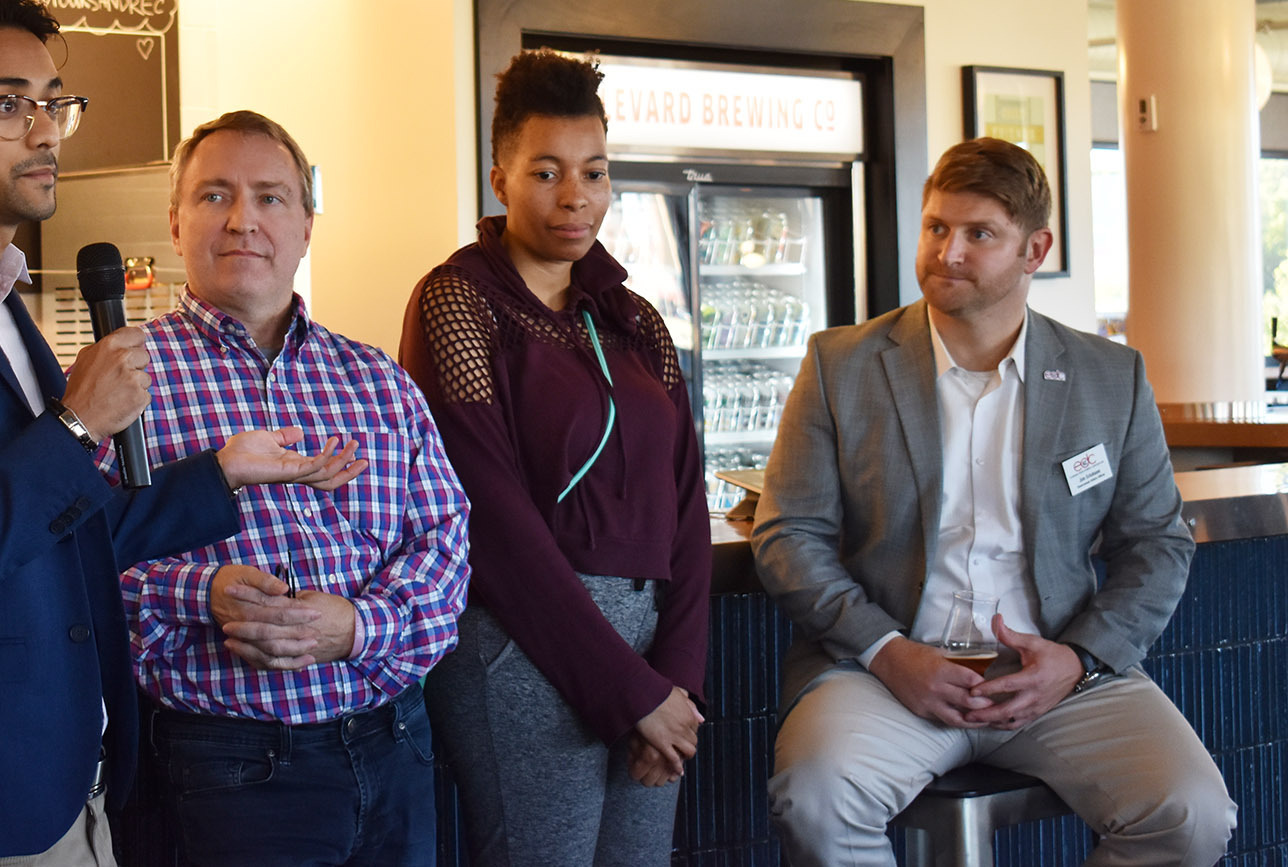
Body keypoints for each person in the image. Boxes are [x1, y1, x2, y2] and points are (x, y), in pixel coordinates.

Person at [0, 0, 360, 865]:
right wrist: (71, 426)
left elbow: (68, 528)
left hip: (73, 780)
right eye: (7, 104)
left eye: (54, 102)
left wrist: (224, 472)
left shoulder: (1, 303)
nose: (46, 129)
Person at [750, 137, 1237, 864]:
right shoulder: (840, 365)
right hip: (883, 672)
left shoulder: (1111, 377)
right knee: (817, 801)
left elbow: (1158, 545)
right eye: (937, 227)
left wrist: (1077, 658)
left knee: (1191, 814)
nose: (948, 253)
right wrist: (888, 651)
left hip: (1058, 677)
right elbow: (787, 534)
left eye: (979, 234)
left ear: (1034, 249)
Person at [106, 110, 470, 867]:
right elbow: (73, 561)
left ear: (307, 224)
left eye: (271, 197)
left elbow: (446, 544)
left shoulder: (376, 379)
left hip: (396, 745)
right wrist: (198, 590)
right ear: (175, 225)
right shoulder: (119, 379)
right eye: (214, 195)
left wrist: (359, 627)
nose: (243, 220)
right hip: (228, 767)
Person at [398, 49, 712, 866]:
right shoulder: (459, 301)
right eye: (545, 171)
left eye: (594, 172)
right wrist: (632, 692)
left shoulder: (634, 319)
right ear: (499, 176)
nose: (575, 195)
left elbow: (686, 506)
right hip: (521, 646)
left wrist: (675, 681)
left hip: (648, 659)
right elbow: (491, 521)